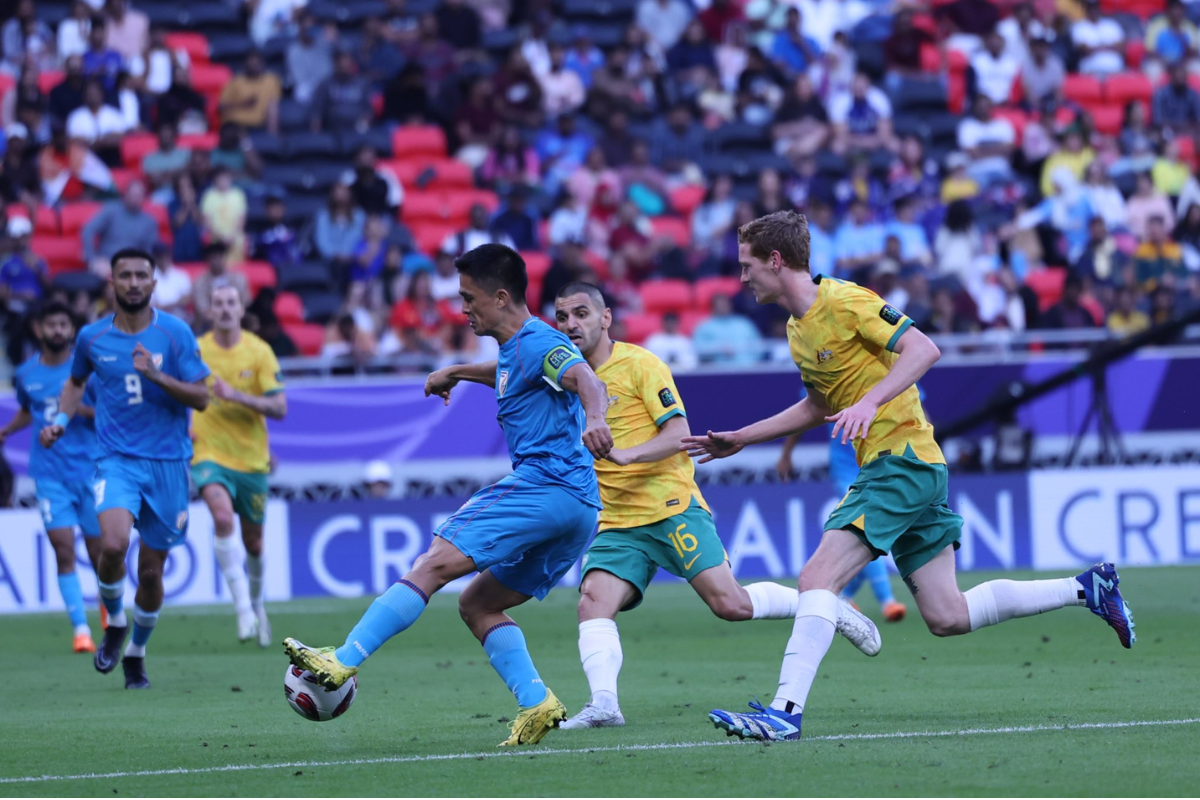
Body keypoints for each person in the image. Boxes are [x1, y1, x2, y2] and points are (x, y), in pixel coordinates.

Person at [684, 211, 1136, 741]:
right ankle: (1087, 588)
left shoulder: (848, 301)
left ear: (776, 261)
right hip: (912, 468)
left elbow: (924, 349)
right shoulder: (796, 327)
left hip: (900, 462)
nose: (742, 277)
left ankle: (784, 713)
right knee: (948, 615)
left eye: (748, 266)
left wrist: (872, 402)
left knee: (816, 579)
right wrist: (742, 437)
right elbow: (817, 404)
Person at [283, 244, 613, 747]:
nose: (462, 308)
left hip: (545, 485)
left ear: (501, 298)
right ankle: (536, 702)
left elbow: (584, 378)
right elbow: (507, 373)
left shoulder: (537, 341)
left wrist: (596, 419)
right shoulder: (516, 351)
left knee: (432, 564)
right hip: (579, 509)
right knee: (479, 603)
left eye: (469, 297)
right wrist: (457, 371)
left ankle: (341, 660)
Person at [552, 282, 879, 730]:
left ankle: (827, 604)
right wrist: (459, 371)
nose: (571, 325)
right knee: (592, 602)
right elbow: (510, 367)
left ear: (605, 318)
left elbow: (678, 435)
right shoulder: (564, 377)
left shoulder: (641, 365)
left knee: (732, 605)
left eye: (581, 314)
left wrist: (627, 455)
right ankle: (605, 703)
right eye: (563, 317)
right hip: (619, 521)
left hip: (671, 507)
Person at [41, 248, 210, 690]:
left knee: (152, 571)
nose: (134, 282)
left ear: (154, 283)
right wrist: (60, 421)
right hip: (115, 460)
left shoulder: (175, 334)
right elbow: (75, 382)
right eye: (125, 275)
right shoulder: (91, 338)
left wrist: (157, 377)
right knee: (112, 546)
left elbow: (202, 397)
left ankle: (137, 650)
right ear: (111, 283)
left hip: (169, 464)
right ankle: (115, 621)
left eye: (141, 275)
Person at [1, 302, 102, 653]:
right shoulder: (26, 374)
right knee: (63, 551)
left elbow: (104, 412)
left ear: (71, 331)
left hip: (89, 470)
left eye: (64, 324)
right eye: (51, 324)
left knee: (101, 552)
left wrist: (71, 407)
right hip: (49, 475)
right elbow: (31, 411)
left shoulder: (86, 372)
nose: (58, 330)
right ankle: (80, 631)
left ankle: (110, 607)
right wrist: (7, 430)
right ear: (38, 329)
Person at [192, 282, 286, 647]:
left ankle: (258, 603)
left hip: (250, 460)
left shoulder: (259, 351)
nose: (226, 308)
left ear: (242, 306)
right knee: (221, 517)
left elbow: (280, 408)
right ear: (210, 310)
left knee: (255, 544)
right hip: (209, 454)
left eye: (232, 302)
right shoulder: (197, 351)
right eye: (219, 303)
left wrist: (239, 397)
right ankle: (243, 609)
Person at [777, 431, 907, 622]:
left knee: (871, 532)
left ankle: (845, 595)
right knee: (866, 528)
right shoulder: (830, 399)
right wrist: (786, 454)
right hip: (847, 470)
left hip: (882, 466)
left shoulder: (891, 398)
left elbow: (918, 415)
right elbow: (807, 413)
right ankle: (887, 601)